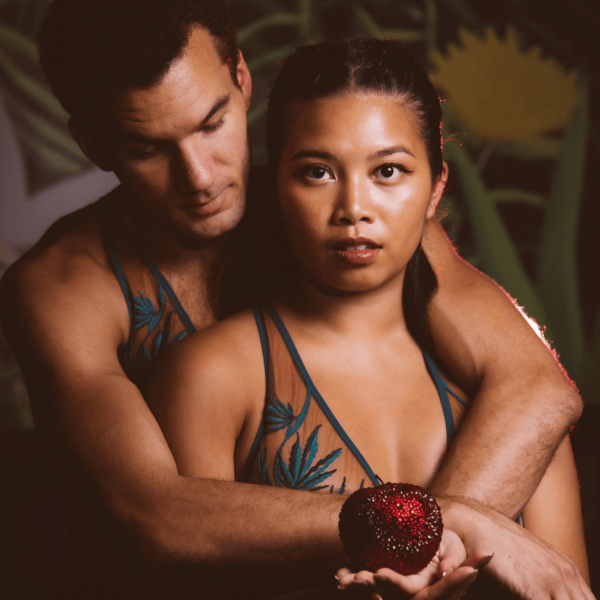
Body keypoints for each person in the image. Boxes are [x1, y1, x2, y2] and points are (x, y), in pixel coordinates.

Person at [0, 0, 585, 598]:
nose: (199, 177)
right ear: (92, 144)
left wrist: (426, 549)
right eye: (146, 148)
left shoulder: (345, 214)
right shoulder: (63, 288)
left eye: (212, 122)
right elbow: (155, 518)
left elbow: (535, 390)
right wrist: (436, 524)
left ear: (243, 80)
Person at [148, 37, 591, 599]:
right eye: (317, 172)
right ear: (276, 187)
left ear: (436, 190)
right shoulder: (214, 375)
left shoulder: (511, 402)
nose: (353, 206)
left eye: (387, 171)